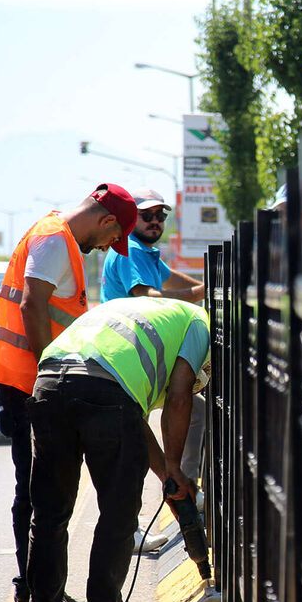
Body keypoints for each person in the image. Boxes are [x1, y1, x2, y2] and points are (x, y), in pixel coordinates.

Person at [0, 183, 138, 602]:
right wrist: (49, 368)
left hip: (35, 380)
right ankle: (33, 592)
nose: (107, 248)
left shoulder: (59, 240)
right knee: (36, 493)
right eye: (112, 239)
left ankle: (43, 592)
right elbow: (33, 305)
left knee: (42, 492)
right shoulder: (54, 239)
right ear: (107, 221)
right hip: (28, 381)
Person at [25, 296, 210, 602]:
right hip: (104, 392)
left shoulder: (142, 315)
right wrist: (175, 464)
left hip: (50, 383)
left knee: (50, 513)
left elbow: (135, 416)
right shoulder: (199, 321)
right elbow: (180, 396)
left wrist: (166, 475)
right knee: (119, 512)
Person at [101, 186, 207, 553]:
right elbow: (147, 295)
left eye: (161, 215)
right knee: (130, 446)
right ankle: (173, 493)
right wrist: (197, 296)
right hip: (124, 351)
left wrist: (209, 288)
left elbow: (173, 278)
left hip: (139, 350)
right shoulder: (129, 249)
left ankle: (185, 486)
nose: (156, 221)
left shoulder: (146, 252)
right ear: (132, 220)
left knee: (195, 411)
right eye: (148, 215)